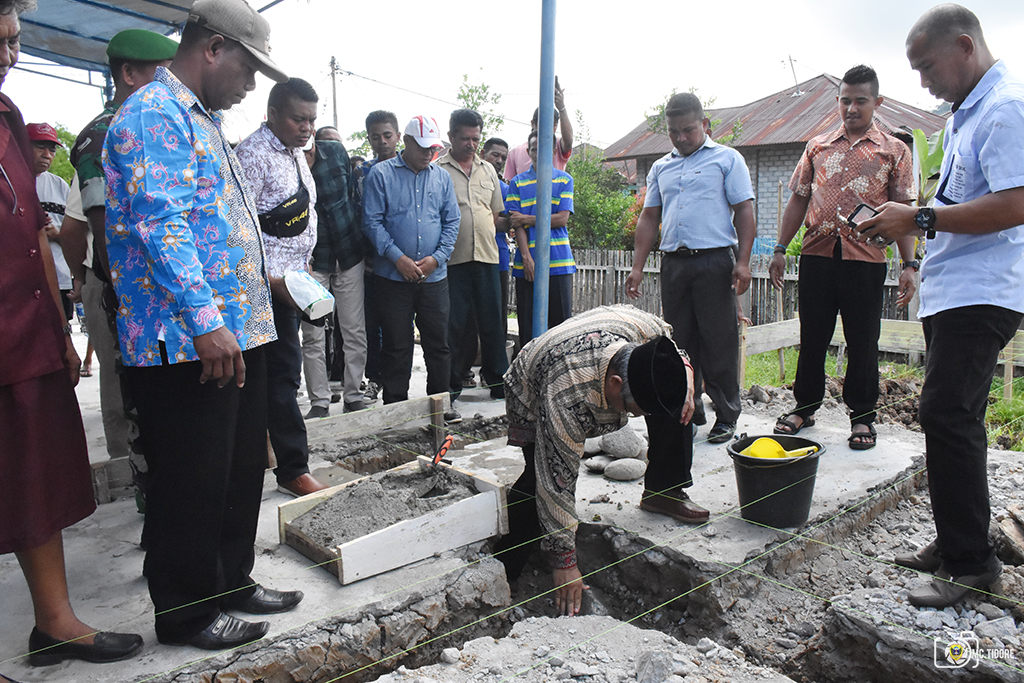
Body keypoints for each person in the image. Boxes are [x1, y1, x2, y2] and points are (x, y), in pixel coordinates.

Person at [103, 0, 304, 649]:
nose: (252, 85)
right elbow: (161, 223)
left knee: (238, 467)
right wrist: (204, 317)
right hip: (184, 338)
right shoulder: (153, 114)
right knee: (190, 475)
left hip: (238, 329)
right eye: (249, 69)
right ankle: (186, 610)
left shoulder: (203, 119)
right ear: (213, 47)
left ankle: (229, 580)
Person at [858, 4, 1024, 609]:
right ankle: (961, 538)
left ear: (964, 45)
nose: (922, 81)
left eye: (927, 67)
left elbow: (1016, 202)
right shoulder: (966, 113)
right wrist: (911, 219)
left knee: (946, 415)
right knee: (956, 418)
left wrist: (920, 217)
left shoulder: (1006, 109)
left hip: (986, 289)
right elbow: (964, 196)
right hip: (958, 287)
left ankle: (971, 567)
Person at [0, 0, 143, 666]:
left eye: (15, 39)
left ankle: (54, 620)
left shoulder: (6, 120)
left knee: (36, 477)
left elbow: (32, 234)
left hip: (25, 326)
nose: (10, 54)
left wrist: (60, 330)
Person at [494, 305, 696, 616]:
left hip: (597, 349)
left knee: (675, 403)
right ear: (615, 383)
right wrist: (565, 562)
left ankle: (664, 491)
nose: (632, 418)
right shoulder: (568, 391)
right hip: (532, 381)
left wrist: (687, 378)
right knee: (539, 480)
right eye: (632, 410)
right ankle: (506, 568)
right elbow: (556, 477)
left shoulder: (639, 330)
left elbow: (669, 342)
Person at [768, 65, 919, 451]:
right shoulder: (817, 146)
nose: (851, 108)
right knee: (812, 334)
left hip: (866, 259)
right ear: (839, 101)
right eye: (845, 100)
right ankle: (804, 406)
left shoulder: (893, 150)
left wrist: (909, 265)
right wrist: (781, 249)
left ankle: (863, 416)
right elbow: (799, 197)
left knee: (863, 339)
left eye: (860, 101)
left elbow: (903, 211)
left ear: (877, 102)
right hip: (817, 255)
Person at [61, 29, 177, 466]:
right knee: (128, 394)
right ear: (128, 74)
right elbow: (101, 231)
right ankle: (142, 488)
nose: (172, 85)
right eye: (161, 75)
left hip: (167, 291)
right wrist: (104, 286)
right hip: (129, 293)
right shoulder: (102, 134)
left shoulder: (164, 124)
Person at [625, 92, 756, 445]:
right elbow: (649, 216)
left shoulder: (727, 160)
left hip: (714, 261)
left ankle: (727, 415)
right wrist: (638, 267)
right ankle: (690, 408)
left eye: (688, 130)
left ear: (705, 125)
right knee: (680, 341)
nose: (681, 138)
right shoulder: (660, 168)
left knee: (719, 340)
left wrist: (742, 263)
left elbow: (744, 210)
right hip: (674, 264)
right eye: (673, 132)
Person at [236, 77, 329, 498]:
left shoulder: (293, 153)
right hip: (261, 290)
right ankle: (292, 468)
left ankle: (272, 456)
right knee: (278, 379)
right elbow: (238, 231)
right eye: (298, 118)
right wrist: (270, 280)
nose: (307, 127)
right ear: (273, 113)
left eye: (312, 119)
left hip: (291, 284)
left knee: (279, 376)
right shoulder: (252, 156)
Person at [361, 114, 460, 419]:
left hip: (434, 277)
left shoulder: (441, 177)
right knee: (396, 345)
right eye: (423, 148)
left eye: (434, 149)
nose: (429, 154)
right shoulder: (381, 175)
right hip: (392, 277)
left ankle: (440, 407)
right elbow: (372, 222)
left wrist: (437, 258)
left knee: (438, 345)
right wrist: (398, 258)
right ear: (406, 142)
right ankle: (396, 411)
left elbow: (451, 221)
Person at [437, 109, 509, 407]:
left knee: (493, 322)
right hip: (452, 260)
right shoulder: (438, 169)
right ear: (451, 136)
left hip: (488, 257)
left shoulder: (488, 169)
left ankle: (498, 381)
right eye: (465, 138)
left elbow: (494, 213)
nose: (471, 144)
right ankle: (451, 385)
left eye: (475, 138)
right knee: (453, 324)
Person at [300, 125, 368, 417]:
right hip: (313, 261)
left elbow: (353, 197)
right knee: (313, 334)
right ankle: (319, 400)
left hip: (349, 254)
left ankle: (353, 394)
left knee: (353, 329)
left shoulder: (337, 152)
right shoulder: (287, 163)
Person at [506, 130, 576, 345]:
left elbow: (561, 219)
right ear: (529, 151)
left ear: (554, 150)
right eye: (535, 149)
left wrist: (527, 218)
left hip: (559, 263)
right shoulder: (517, 183)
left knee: (561, 328)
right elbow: (515, 224)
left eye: (545, 148)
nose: (539, 153)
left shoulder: (564, 180)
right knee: (528, 327)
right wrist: (526, 257)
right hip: (527, 265)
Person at [358, 110, 402, 404]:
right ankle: (374, 379)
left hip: (406, 265)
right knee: (373, 325)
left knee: (399, 332)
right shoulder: (363, 173)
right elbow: (361, 216)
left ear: (398, 136)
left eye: (387, 135)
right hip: (373, 263)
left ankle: (398, 384)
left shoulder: (412, 169)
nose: (382, 141)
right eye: (376, 136)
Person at [27, 122, 72, 321]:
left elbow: (76, 232)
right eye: (40, 147)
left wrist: (58, 235)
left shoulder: (59, 185)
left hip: (60, 279)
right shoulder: (10, 181)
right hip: (23, 282)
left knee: (61, 338)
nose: (47, 155)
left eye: (52, 150)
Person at [503, 77, 573, 181]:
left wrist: (561, 107)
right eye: (544, 124)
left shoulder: (557, 145)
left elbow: (568, 141)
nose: (549, 129)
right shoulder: (515, 152)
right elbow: (510, 185)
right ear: (533, 124)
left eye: (553, 124)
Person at [481, 137, 512, 332]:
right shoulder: (470, 182)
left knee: (497, 314)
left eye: (503, 157)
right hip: (468, 258)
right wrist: (493, 220)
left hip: (497, 258)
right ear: (482, 154)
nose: (499, 160)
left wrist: (481, 220)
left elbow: (508, 223)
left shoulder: (506, 189)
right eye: (495, 155)